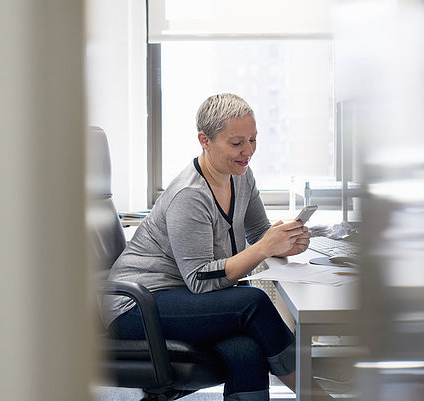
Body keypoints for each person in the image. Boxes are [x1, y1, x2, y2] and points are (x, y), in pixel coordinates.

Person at [104, 94, 311, 401]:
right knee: (253, 303)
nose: (248, 152)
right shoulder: (189, 196)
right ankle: (312, 392)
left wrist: (283, 243)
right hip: (138, 307)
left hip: (181, 298)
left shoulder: (241, 176)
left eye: (253, 140)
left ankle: (306, 387)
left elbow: (257, 232)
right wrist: (264, 249)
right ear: (205, 140)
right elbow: (201, 281)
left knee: (246, 349)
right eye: (237, 143)